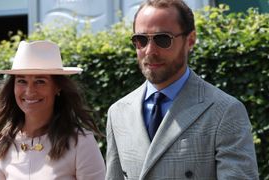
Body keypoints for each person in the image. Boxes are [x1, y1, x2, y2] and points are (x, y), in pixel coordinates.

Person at [105, 0, 259, 179]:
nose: (150, 51)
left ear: (190, 40)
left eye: (163, 39)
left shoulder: (225, 111)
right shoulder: (118, 112)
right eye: (140, 40)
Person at [0, 40, 106, 179]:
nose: (29, 91)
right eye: (21, 81)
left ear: (57, 87)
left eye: (40, 81)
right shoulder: (2, 143)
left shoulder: (81, 143)